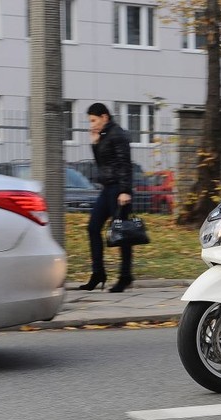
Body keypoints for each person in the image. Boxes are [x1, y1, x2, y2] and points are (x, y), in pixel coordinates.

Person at [79, 103, 135, 293]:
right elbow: (103, 164)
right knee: (93, 227)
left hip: (119, 190)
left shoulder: (118, 134)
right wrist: (95, 143)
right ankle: (98, 274)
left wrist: (125, 190)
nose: (91, 124)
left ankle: (125, 276)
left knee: (122, 234)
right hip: (107, 189)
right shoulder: (103, 136)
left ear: (104, 117)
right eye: (90, 121)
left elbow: (125, 164)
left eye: (94, 120)